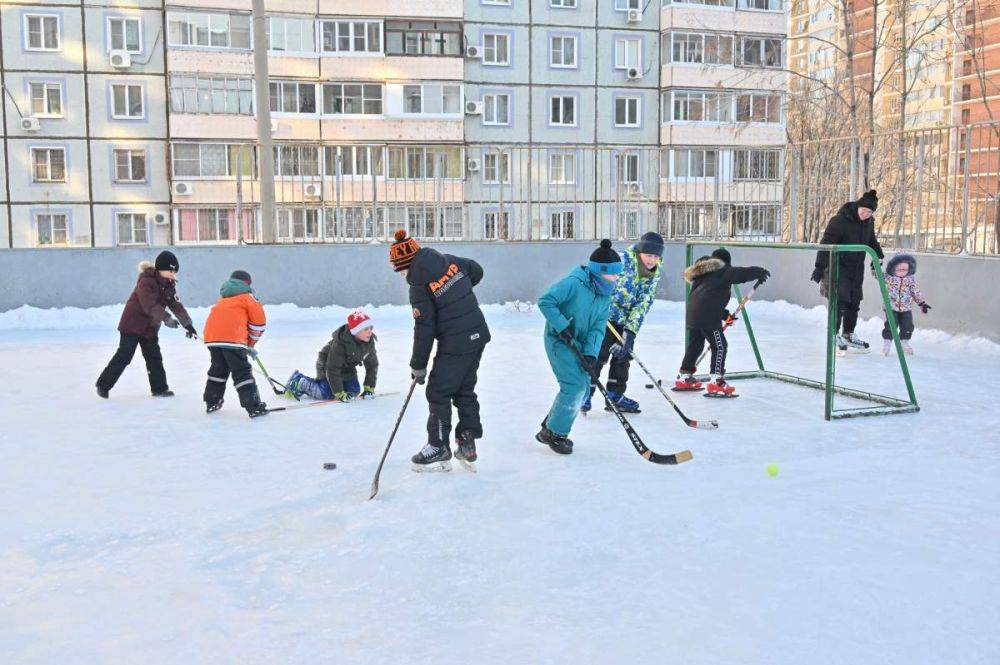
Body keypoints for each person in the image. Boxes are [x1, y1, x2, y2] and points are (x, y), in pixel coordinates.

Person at [390, 230, 490, 471]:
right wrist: (459, 293)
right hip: (478, 334)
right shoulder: (448, 260)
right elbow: (476, 270)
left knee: (438, 392)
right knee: (465, 388)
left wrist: (418, 365)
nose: (402, 275)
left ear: (407, 264)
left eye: (400, 270)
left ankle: (438, 446)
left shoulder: (418, 285)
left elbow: (424, 328)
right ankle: (467, 440)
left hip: (455, 343)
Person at [536, 240, 623, 455]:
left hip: (580, 343)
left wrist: (591, 354)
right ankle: (557, 433)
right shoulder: (573, 283)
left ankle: (550, 426)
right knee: (573, 386)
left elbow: (598, 329)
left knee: (583, 384)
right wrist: (561, 325)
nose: (616, 279)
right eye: (613, 274)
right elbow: (545, 301)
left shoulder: (605, 296)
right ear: (600, 272)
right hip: (559, 340)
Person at [96, 250, 197, 399]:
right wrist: (166, 318)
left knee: (154, 356)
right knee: (124, 355)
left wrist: (188, 324)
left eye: (174, 271)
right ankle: (103, 385)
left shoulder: (169, 285)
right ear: (160, 268)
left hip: (150, 327)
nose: (172, 274)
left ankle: (159, 388)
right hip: (132, 325)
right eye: (170, 270)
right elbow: (148, 305)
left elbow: (176, 305)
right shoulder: (146, 282)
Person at [584, 232, 664, 415]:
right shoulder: (621, 260)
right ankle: (585, 393)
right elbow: (597, 279)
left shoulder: (654, 272)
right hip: (605, 316)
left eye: (656, 256)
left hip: (626, 320)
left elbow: (644, 302)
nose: (652, 260)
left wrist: (631, 332)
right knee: (598, 354)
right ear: (639, 251)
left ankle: (614, 395)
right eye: (649, 255)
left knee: (623, 356)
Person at [677, 248, 769, 398]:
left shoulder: (703, 273)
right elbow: (741, 273)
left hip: (694, 315)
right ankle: (716, 381)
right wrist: (759, 271)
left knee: (696, 345)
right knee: (720, 346)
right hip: (708, 317)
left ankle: (685, 377)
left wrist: (726, 316)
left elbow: (708, 299)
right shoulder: (722, 269)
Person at [811, 189, 885, 353]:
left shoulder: (868, 223)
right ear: (858, 206)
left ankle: (848, 334)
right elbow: (826, 243)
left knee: (854, 301)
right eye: (864, 210)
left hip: (857, 268)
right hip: (838, 267)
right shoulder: (839, 221)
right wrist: (819, 267)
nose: (866, 214)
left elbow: (872, 242)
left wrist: (878, 258)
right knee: (839, 301)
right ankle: (833, 334)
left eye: (870, 212)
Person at [201, 270, 268, 418]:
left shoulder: (223, 299)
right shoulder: (248, 297)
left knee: (218, 369)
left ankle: (212, 400)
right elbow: (259, 324)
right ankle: (253, 406)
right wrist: (250, 344)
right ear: (247, 283)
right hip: (233, 339)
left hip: (213, 338)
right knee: (241, 371)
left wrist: (246, 345)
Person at [286, 310, 379, 401]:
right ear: (355, 331)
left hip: (347, 367)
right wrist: (339, 393)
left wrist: (369, 388)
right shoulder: (341, 344)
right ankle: (299, 381)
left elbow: (372, 365)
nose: (370, 331)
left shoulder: (369, 343)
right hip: (326, 364)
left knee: (353, 391)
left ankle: (337, 385)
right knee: (326, 394)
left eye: (371, 328)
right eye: (366, 329)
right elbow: (332, 369)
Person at [881, 253, 931, 356]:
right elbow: (877, 275)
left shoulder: (910, 280)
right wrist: (876, 265)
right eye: (899, 270)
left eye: (904, 270)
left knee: (908, 326)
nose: (902, 272)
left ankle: (904, 342)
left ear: (909, 269)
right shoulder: (889, 278)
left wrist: (922, 303)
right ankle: (887, 343)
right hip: (891, 307)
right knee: (891, 325)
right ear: (893, 269)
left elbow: (915, 292)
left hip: (906, 308)